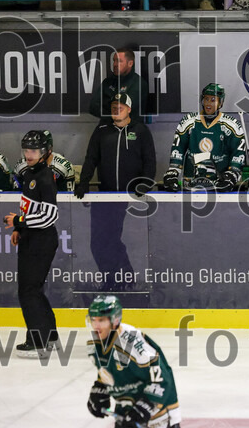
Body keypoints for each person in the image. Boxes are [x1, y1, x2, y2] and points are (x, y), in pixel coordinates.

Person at [74, 93, 155, 286]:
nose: (116, 109)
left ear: (129, 109)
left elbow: (150, 161)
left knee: (115, 240)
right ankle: (111, 279)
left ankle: (126, 278)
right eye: (113, 106)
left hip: (131, 197)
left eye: (120, 106)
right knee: (98, 243)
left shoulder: (140, 130)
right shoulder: (102, 130)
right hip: (105, 196)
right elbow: (91, 158)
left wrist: (145, 182)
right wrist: (84, 182)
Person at [86, 295, 181, 427]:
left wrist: (145, 407)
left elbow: (162, 378)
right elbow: (109, 371)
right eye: (93, 320)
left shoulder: (130, 341)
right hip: (127, 409)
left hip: (156, 415)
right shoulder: (97, 342)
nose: (96, 325)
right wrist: (100, 388)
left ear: (115, 320)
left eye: (101, 320)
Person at [4, 130, 59, 357]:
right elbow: (29, 207)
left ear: (44, 151)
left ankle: (38, 341)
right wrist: (19, 228)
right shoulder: (29, 174)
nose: (29, 154)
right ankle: (50, 334)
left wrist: (18, 221)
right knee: (33, 289)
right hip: (31, 238)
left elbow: (49, 216)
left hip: (41, 241)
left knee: (28, 290)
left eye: (34, 150)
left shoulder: (45, 178)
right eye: (26, 150)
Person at [162, 83, 247, 192]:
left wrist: (231, 176)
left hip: (220, 184)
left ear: (221, 103)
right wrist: (172, 173)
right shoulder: (188, 121)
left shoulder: (232, 126)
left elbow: (238, 154)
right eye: (206, 99)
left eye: (213, 100)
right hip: (191, 182)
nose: (208, 104)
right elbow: (178, 150)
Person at [89, 47, 149, 123]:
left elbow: (123, 111)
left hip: (131, 130)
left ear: (130, 63)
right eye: (114, 61)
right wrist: (113, 108)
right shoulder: (107, 82)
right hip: (107, 128)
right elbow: (93, 108)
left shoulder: (138, 83)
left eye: (119, 61)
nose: (115, 64)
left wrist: (107, 103)